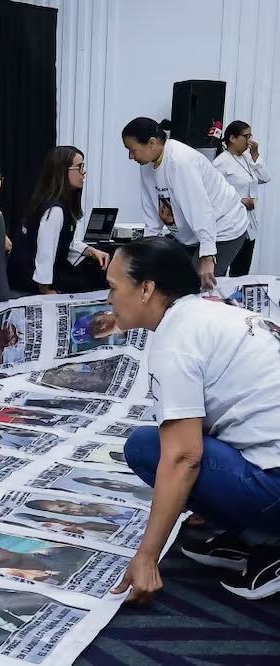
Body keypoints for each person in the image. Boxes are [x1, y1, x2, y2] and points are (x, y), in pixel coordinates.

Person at [106, 237, 280, 602]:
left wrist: (146, 556)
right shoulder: (217, 311)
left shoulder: (177, 339)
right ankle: (247, 528)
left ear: (146, 289)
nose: (109, 299)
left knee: (147, 447)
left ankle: (270, 540)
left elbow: (184, 457)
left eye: (113, 287)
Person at [122, 117, 250, 288]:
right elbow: (152, 215)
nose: (131, 156)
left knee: (199, 285)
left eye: (133, 150)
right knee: (169, 280)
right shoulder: (146, 165)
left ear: (152, 143)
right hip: (192, 233)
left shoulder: (180, 161)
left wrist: (207, 256)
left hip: (225, 227)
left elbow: (200, 209)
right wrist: (147, 254)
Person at [7, 146, 109, 293]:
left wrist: (90, 251)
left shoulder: (49, 202)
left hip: (26, 274)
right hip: (31, 279)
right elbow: (45, 251)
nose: (84, 172)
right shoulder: (54, 210)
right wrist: (45, 290)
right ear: (63, 171)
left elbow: (59, 242)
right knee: (93, 279)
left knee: (91, 271)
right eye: (80, 167)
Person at [212, 121, 270, 277]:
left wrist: (255, 155)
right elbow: (213, 194)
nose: (250, 140)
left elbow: (265, 177)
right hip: (228, 226)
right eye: (246, 136)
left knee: (242, 272)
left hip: (248, 224)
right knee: (221, 271)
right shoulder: (220, 162)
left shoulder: (247, 157)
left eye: (250, 136)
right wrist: (240, 200)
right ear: (232, 138)